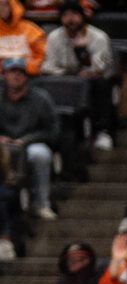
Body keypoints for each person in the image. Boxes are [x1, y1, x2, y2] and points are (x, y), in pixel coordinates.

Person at [42, 2, 115, 153]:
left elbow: (100, 68)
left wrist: (82, 53)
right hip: (65, 80)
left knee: (100, 84)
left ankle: (103, 132)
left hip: (92, 80)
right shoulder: (54, 37)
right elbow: (47, 66)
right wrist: (68, 74)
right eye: (66, 15)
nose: (70, 19)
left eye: (74, 14)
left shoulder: (98, 37)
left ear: (82, 17)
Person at [0, 55, 54, 220]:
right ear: (4, 75)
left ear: (27, 76)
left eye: (20, 72)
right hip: (3, 146)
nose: (16, 76)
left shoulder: (41, 98)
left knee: (40, 155)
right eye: (12, 72)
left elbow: (52, 131)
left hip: (32, 142)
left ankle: (41, 204)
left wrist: (26, 140)